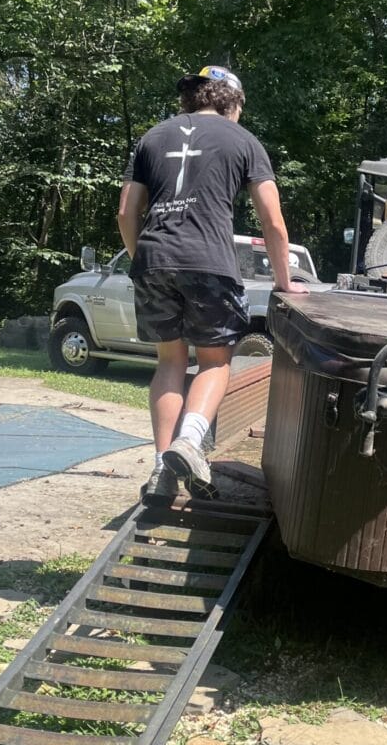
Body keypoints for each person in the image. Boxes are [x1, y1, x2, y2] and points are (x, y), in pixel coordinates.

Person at [118, 64, 306, 502]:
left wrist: (142, 259)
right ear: (232, 102)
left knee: (169, 363)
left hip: (153, 258)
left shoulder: (151, 137)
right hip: (209, 262)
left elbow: (126, 213)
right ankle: (190, 440)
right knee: (215, 363)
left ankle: (162, 468)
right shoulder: (243, 140)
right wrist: (285, 280)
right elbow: (273, 221)